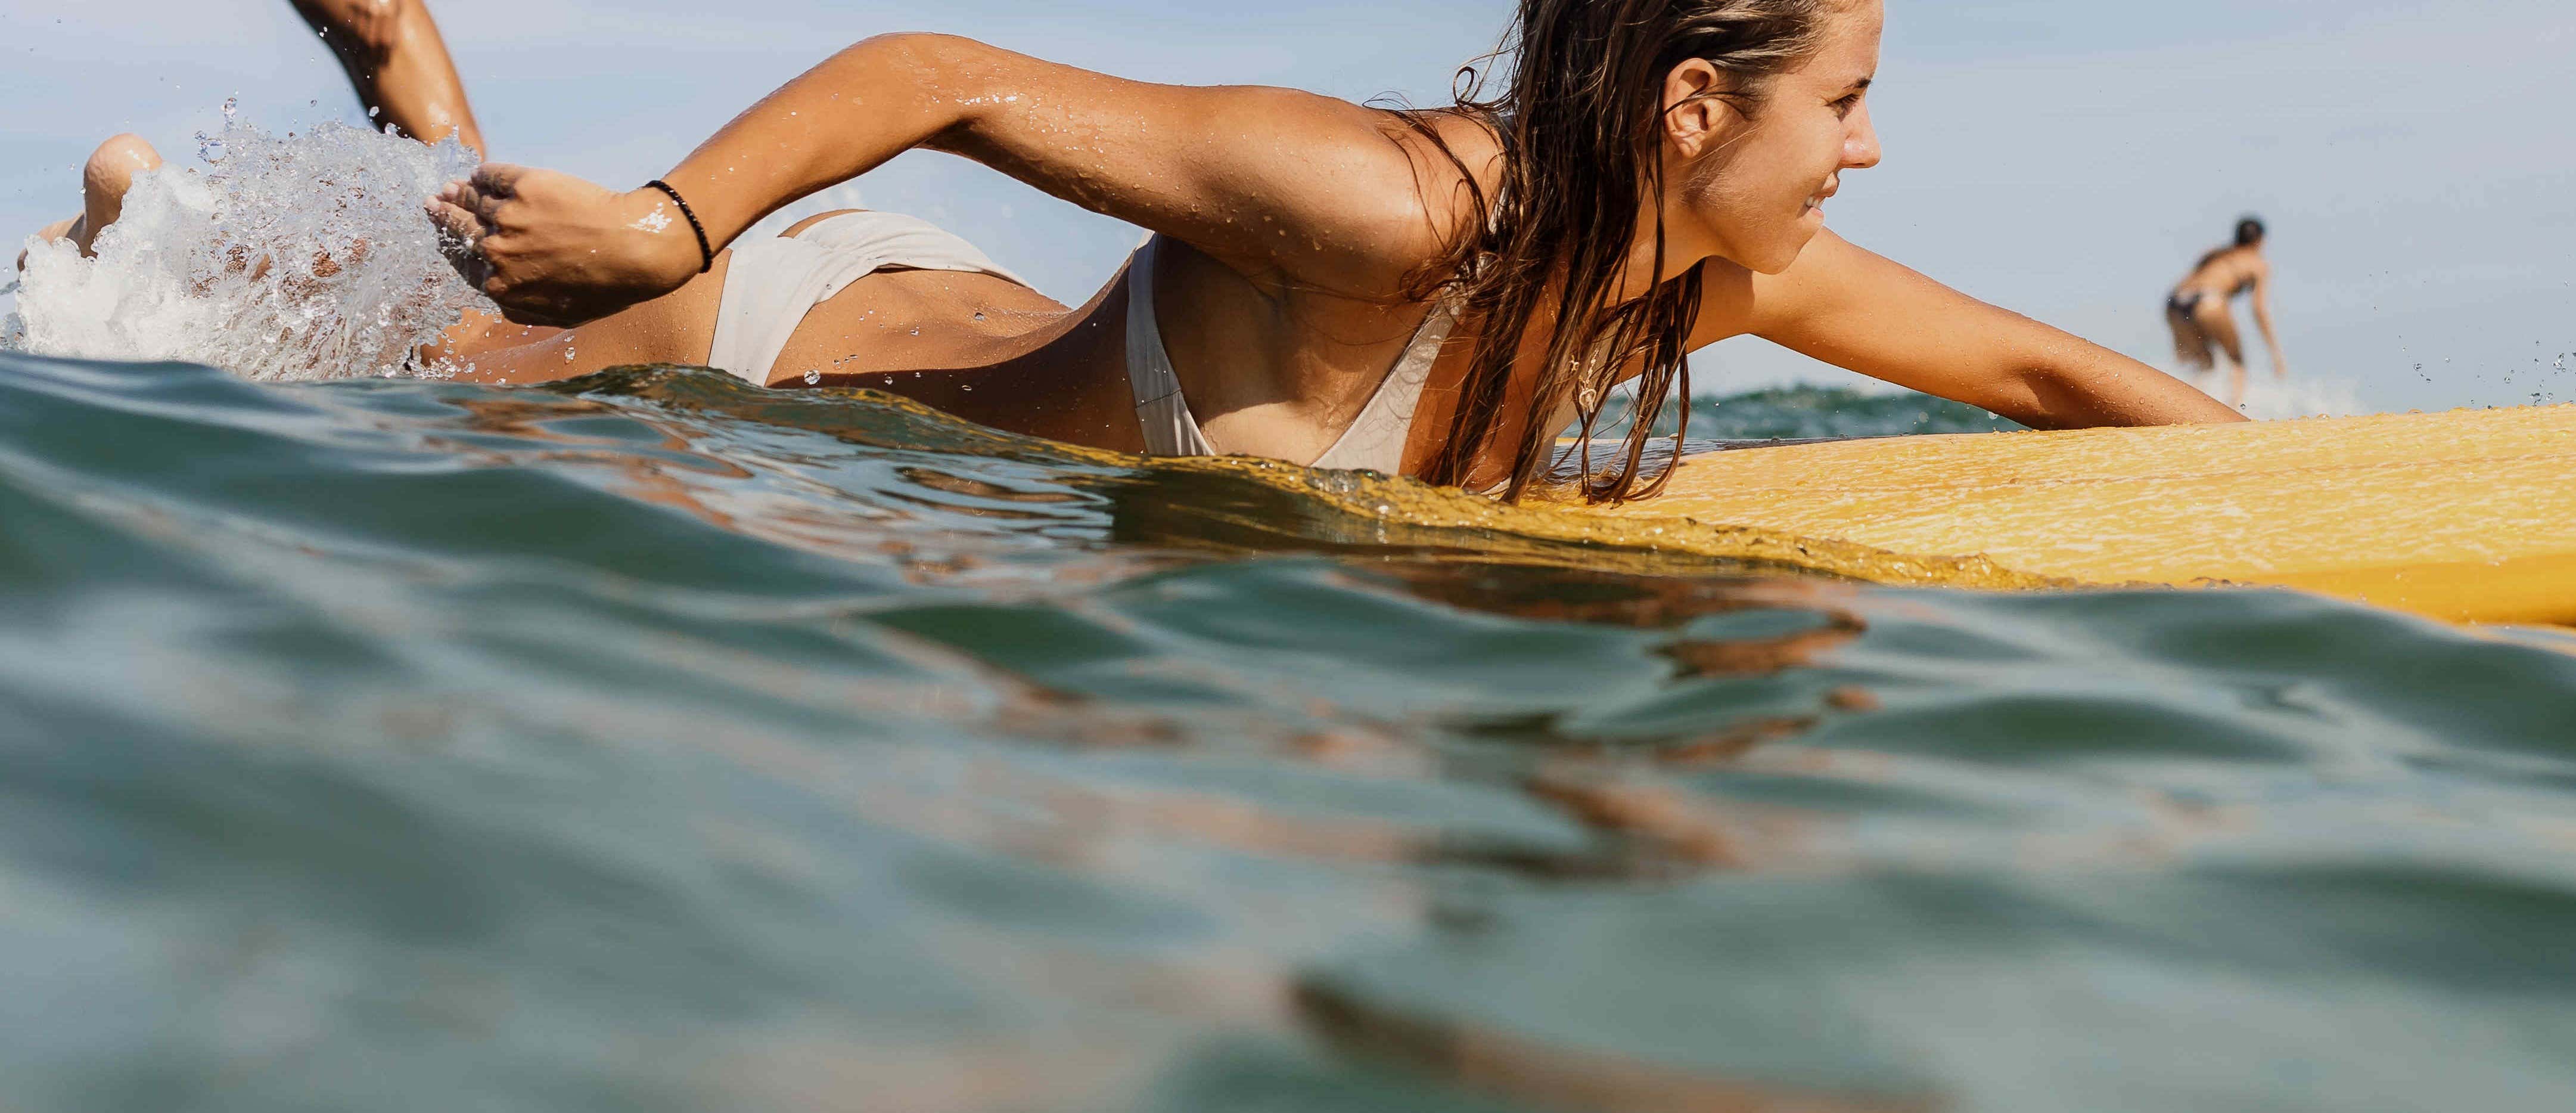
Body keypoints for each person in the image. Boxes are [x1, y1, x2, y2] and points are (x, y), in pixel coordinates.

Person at [49, 0, 2244, 501]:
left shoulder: (1696, 279)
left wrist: (2301, 502)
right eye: (1844, 98)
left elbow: (2056, 378)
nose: (1870, 147)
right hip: (772, 327)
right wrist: (665, 218)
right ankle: (330, 135)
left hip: (947, 334)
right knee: (355, 367)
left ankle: (441, 157)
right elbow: (941, 69)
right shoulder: (1390, 206)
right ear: (1693, 113)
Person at [2161, 215, 2285, 410]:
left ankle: (2176, 407)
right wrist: (2275, 353)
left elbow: (2191, 280)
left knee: (2204, 363)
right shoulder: (2257, 264)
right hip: (2208, 301)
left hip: (2175, 303)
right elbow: (2259, 309)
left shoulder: (2214, 253)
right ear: (2259, 241)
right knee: (2237, 362)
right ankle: (2234, 414)